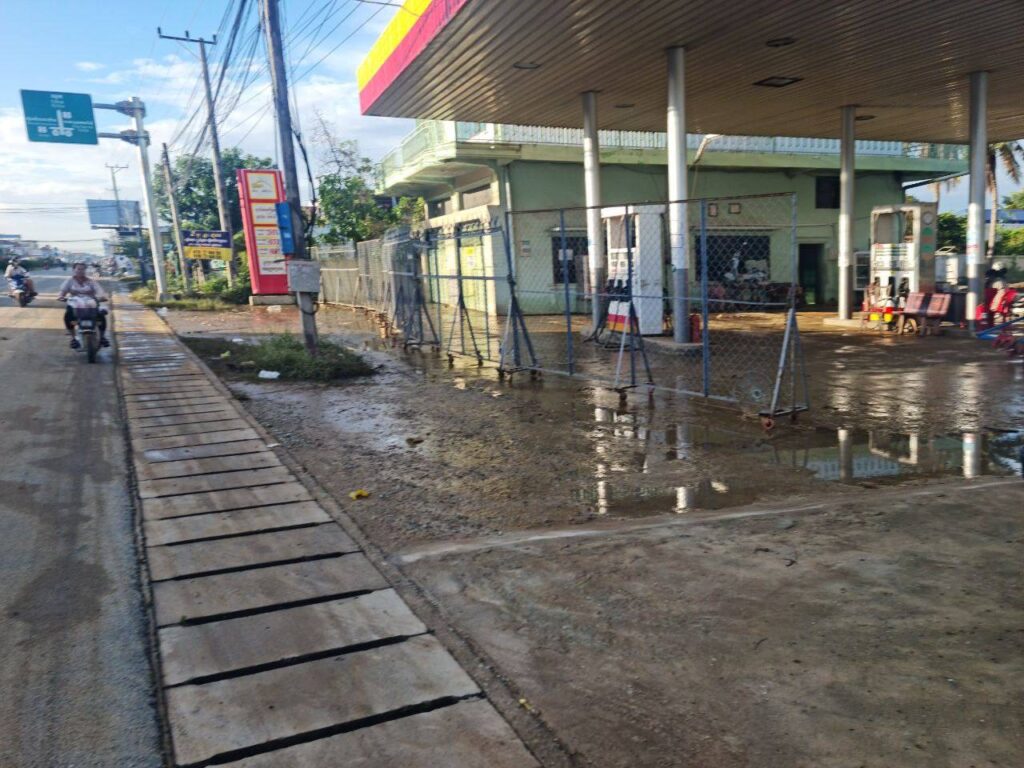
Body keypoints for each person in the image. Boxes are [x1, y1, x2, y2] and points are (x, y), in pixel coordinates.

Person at [57, 262, 109, 349]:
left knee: (101, 316)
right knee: (67, 317)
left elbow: (99, 291)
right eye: (78, 269)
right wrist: (61, 296)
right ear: (74, 270)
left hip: (91, 303)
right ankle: (73, 338)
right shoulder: (69, 281)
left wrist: (101, 297)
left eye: (83, 269)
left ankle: (102, 337)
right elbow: (62, 292)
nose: (80, 271)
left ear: (85, 270)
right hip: (74, 304)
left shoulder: (91, 281)